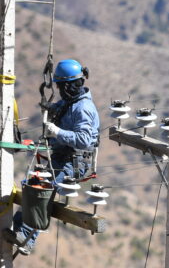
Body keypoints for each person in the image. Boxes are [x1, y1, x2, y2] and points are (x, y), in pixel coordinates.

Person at [6, 58, 100, 254]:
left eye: (62, 86)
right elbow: (61, 107)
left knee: (42, 190)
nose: (60, 91)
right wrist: (50, 109)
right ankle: (17, 230)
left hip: (74, 162)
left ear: (70, 85)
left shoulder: (83, 108)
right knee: (31, 184)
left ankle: (27, 239)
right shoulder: (70, 101)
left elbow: (83, 140)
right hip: (61, 156)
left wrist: (57, 132)